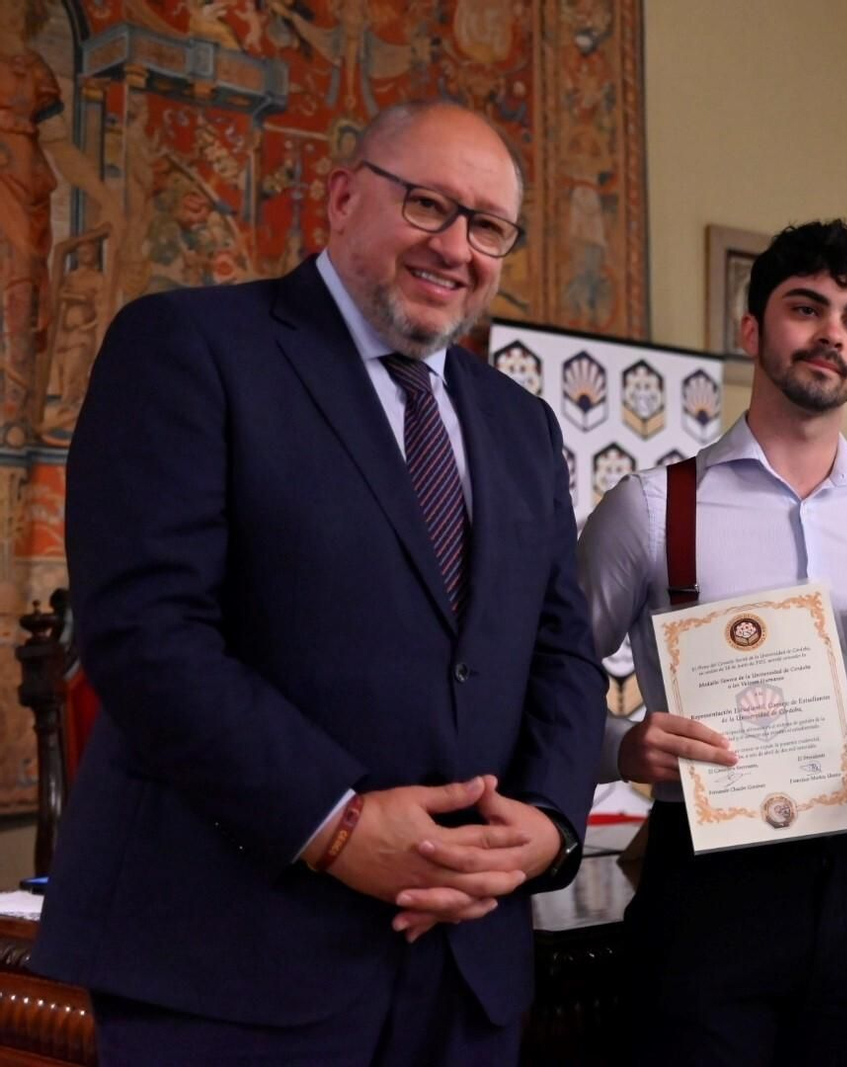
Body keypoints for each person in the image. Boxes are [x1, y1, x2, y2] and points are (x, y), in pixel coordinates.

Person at [33, 100, 606, 1065]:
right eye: (427, 205)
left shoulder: (522, 423)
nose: (456, 247)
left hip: (465, 967)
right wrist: (336, 825)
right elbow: (146, 632)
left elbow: (562, 652)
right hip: (234, 961)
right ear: (341, 198)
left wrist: (546, 826)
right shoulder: (190, 346)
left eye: (489, 227)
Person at [578, 219, 847, 1066]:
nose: (830, 335)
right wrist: (622, 746)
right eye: (805, 308)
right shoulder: (652, 507)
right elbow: (539, 682)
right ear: (751, 330)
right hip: (708, 884)